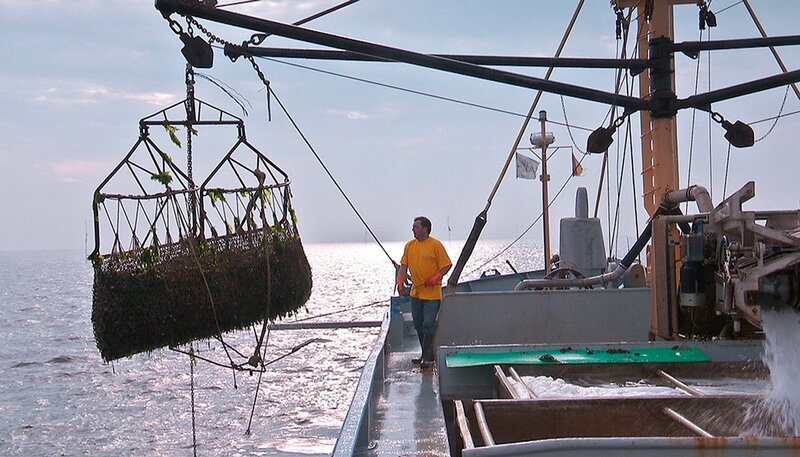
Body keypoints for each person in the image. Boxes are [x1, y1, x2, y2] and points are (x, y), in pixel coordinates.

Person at [396, 216, 452, 369]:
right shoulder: (409, 246)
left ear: (425, 229)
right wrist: (400, 281)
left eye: (416, 226)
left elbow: (447, 265)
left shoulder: (435, 245)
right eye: (413, 226)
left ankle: (428, 357)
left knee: (428, 324)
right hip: (416, 294)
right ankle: (424, 354)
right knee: (418, 325)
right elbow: (403, 266)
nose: (412, 229)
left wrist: (437, 277)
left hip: (432, 295)